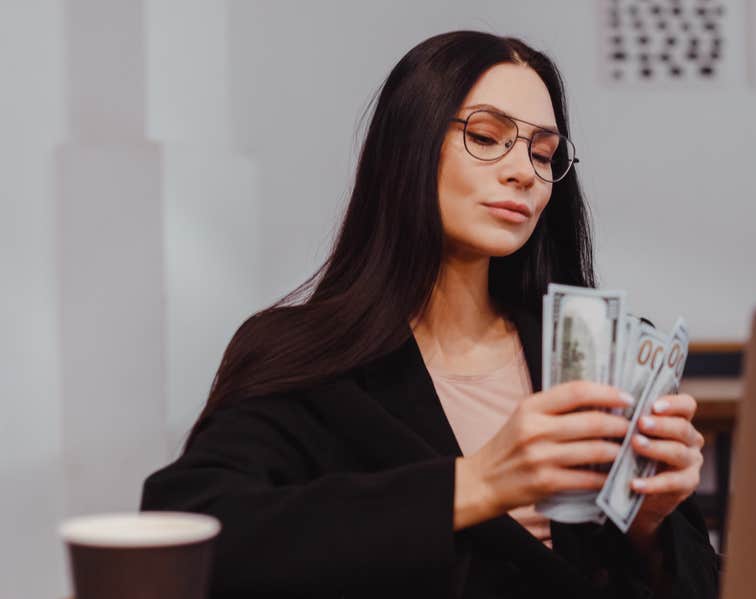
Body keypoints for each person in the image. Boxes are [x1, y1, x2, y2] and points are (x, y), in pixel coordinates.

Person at [141, 30, 721, 598]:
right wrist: (478, 483)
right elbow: (189, 537)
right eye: (488, 137)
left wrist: (651, 524)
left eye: (542, 152)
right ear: (409, 145)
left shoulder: (603, 352)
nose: (524, 172)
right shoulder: (302, 359)